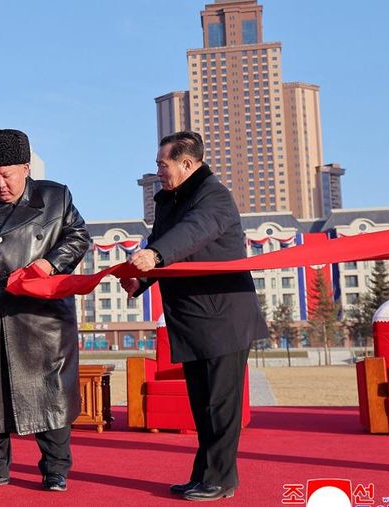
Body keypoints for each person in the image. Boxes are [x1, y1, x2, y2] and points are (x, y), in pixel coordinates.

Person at [120, 131, 268, 502]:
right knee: (203, 407)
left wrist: (153, 256)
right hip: (191, 319)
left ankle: (222, 480)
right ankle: (203, 476)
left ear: (187, 164)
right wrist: (141, 281)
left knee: (221, 405)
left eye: (162, 164)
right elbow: (171, 250)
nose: (157, 171)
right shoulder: (170, 201)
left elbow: (193, 233)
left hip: (223, 318)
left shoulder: (213, 197)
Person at [0, 129, 91, 492]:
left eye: (7, 174)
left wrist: (50, 265)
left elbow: (78, 236)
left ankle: (55, 469)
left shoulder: (55, 197)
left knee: (51, 393)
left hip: (43, 313)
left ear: (26, 168)